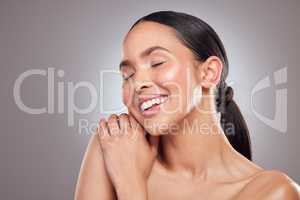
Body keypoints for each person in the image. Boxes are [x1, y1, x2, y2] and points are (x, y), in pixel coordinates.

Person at [74, 11, 300, 200]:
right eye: (127, 74)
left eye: (157, 62)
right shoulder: (114, 145)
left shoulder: (272, 192)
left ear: (209, 72)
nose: (138, 83)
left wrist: (130, 183)